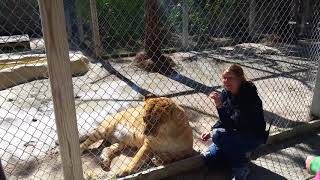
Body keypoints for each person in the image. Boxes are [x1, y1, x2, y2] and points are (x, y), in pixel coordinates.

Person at [201, 64, 268, 180]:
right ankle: (241, 155)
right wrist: (211, 130)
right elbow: (225, 117)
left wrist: (219, 106)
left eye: (230, 78)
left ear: (240, 79)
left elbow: (233, 124)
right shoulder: (226, 93)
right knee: (209, 160)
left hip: (252, 136)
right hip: (235, 134)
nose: (226, 81)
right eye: (224, 78)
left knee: (218, 135)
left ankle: (241, 168)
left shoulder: (250, 97)